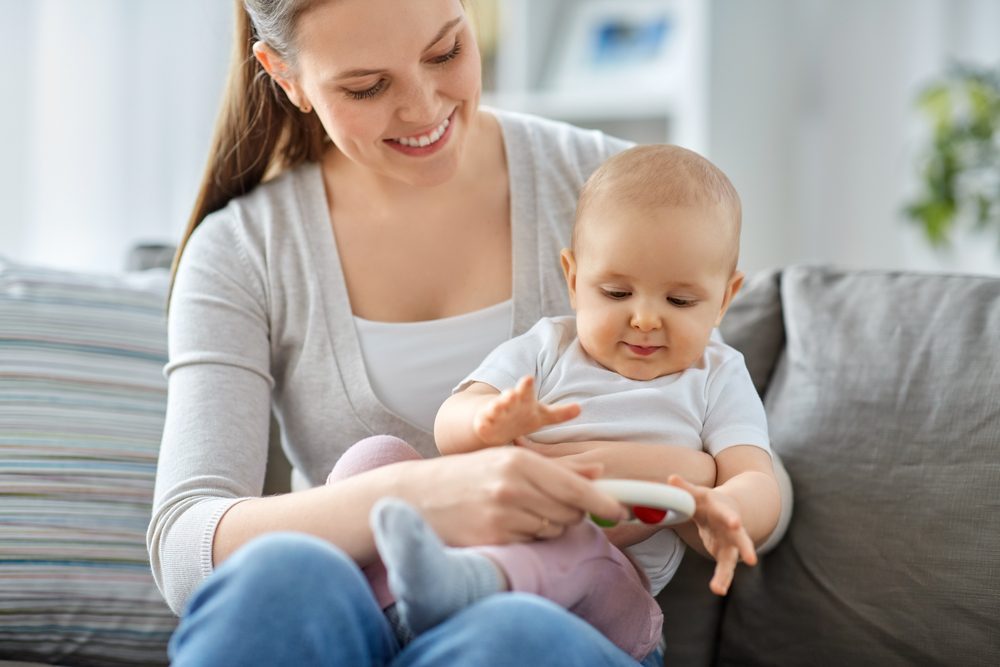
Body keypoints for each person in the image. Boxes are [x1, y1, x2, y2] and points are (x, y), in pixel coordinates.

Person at [147, 0, 792, 665]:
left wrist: (670, 473)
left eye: (446, 52)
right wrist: (422, 496)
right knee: (277, 581)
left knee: (505, 636)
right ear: (285, 77)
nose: (424, 108)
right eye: (367, 86)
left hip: (560, 625)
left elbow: (756, 463)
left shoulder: (620, 193)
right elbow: (186, 545)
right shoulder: (245, 250)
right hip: (369, 610)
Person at [330, 144, 780, 661]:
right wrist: (489, 420)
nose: (645, 319)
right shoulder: (548, 347)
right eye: (616, 293)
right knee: (377, 459)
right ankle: (389, 605)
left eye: (679, 301)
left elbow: (755, 479)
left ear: (725, 298)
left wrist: (730, 506)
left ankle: (453, 596)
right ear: (573, 279)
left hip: (603, 592)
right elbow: (449, 427)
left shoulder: (717, 377)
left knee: (574, 545)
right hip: (482, 533)